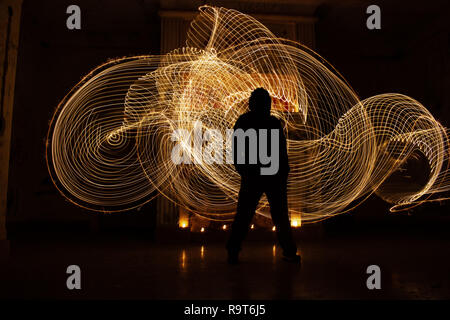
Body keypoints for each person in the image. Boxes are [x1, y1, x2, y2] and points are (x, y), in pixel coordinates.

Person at [226, 88, 300, 264]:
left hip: (254, 175)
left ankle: (233, 251)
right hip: (272, 176)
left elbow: (236, 149)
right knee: (279, 216)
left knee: (244, 214)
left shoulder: (244, 121)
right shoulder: (273, 122)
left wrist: (243, 169)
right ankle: (289, 252)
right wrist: (283, 173)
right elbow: (281, 152)